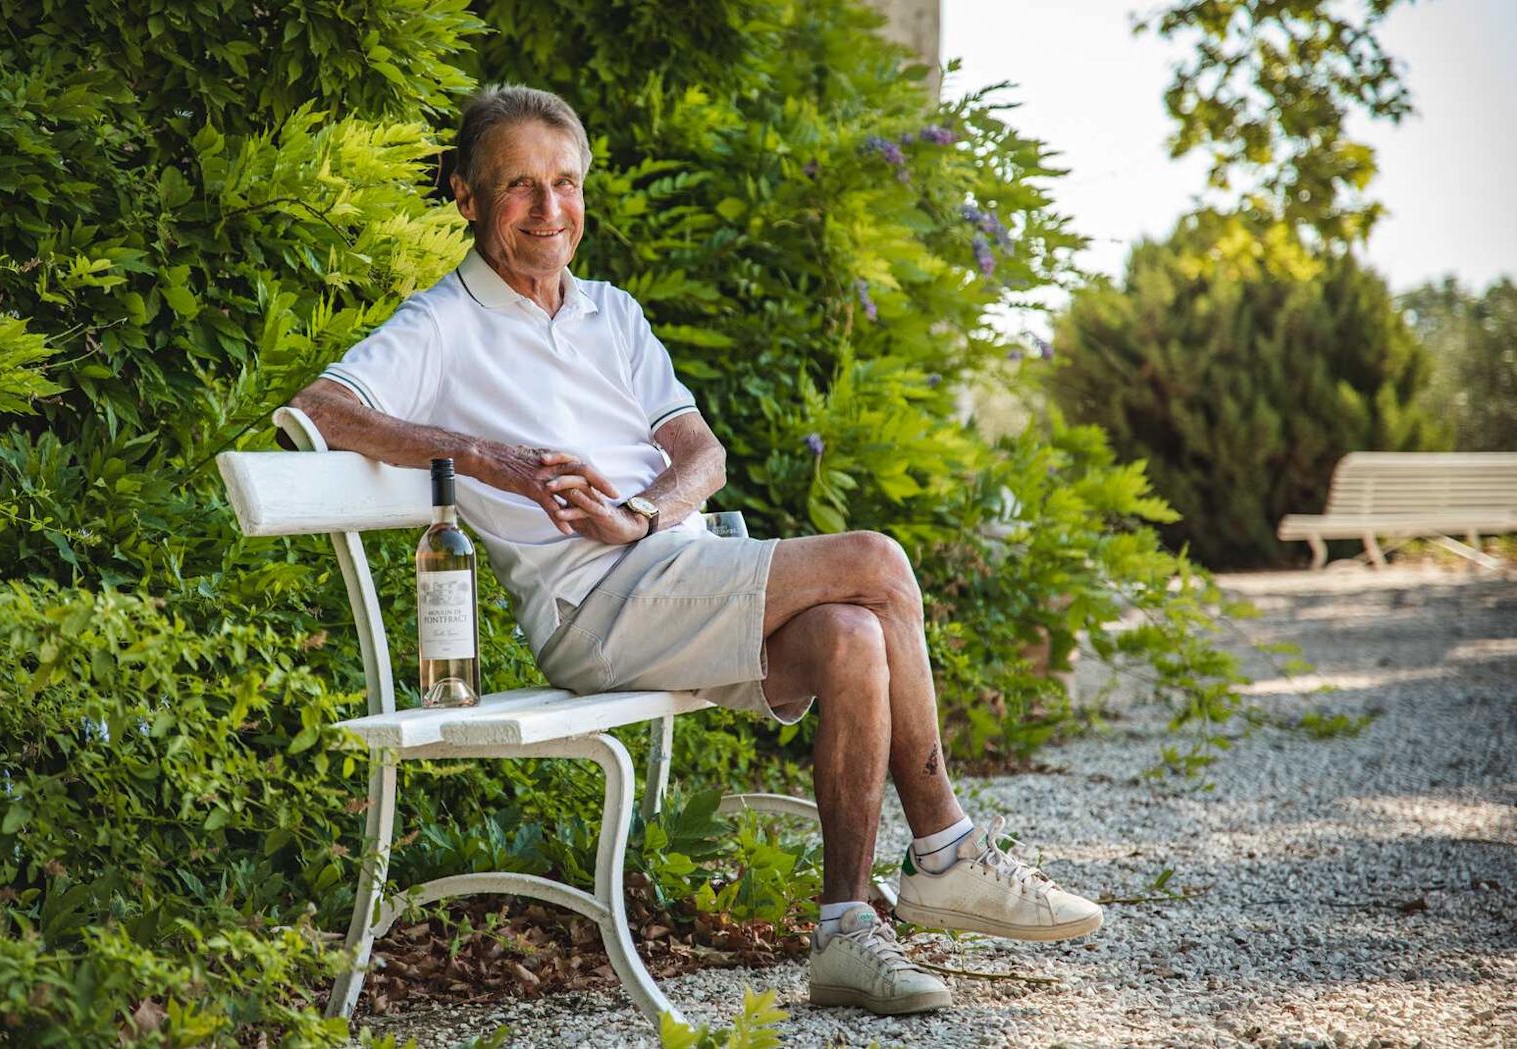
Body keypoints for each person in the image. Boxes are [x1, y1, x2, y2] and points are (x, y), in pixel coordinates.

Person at [292, 85, 1102, 1017]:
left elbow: (701, 454)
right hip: (592, 613)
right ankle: (946, 851)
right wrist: (488, 459)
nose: (549, 210)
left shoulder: (611, 314)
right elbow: (322, 408)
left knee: (850, 633)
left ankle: (844, 930)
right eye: (519, 187)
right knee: (876, 560)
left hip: (667, 567)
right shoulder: (443, 324)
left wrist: (639, 512)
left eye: (564, 183)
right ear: (466, 197)